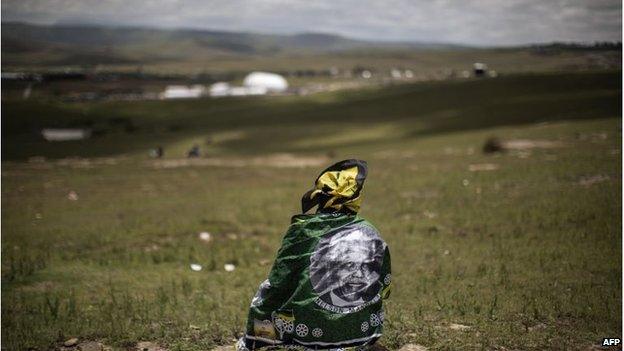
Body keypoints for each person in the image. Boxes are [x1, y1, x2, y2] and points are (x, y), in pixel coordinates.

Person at [238, 159, 391, 351]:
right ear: (355, 198)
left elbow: (280, 279)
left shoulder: (304, 229)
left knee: (268, 293)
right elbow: (384, 286)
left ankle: (261, 342)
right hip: (362, 332)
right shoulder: (370, 231)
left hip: (311, 332)